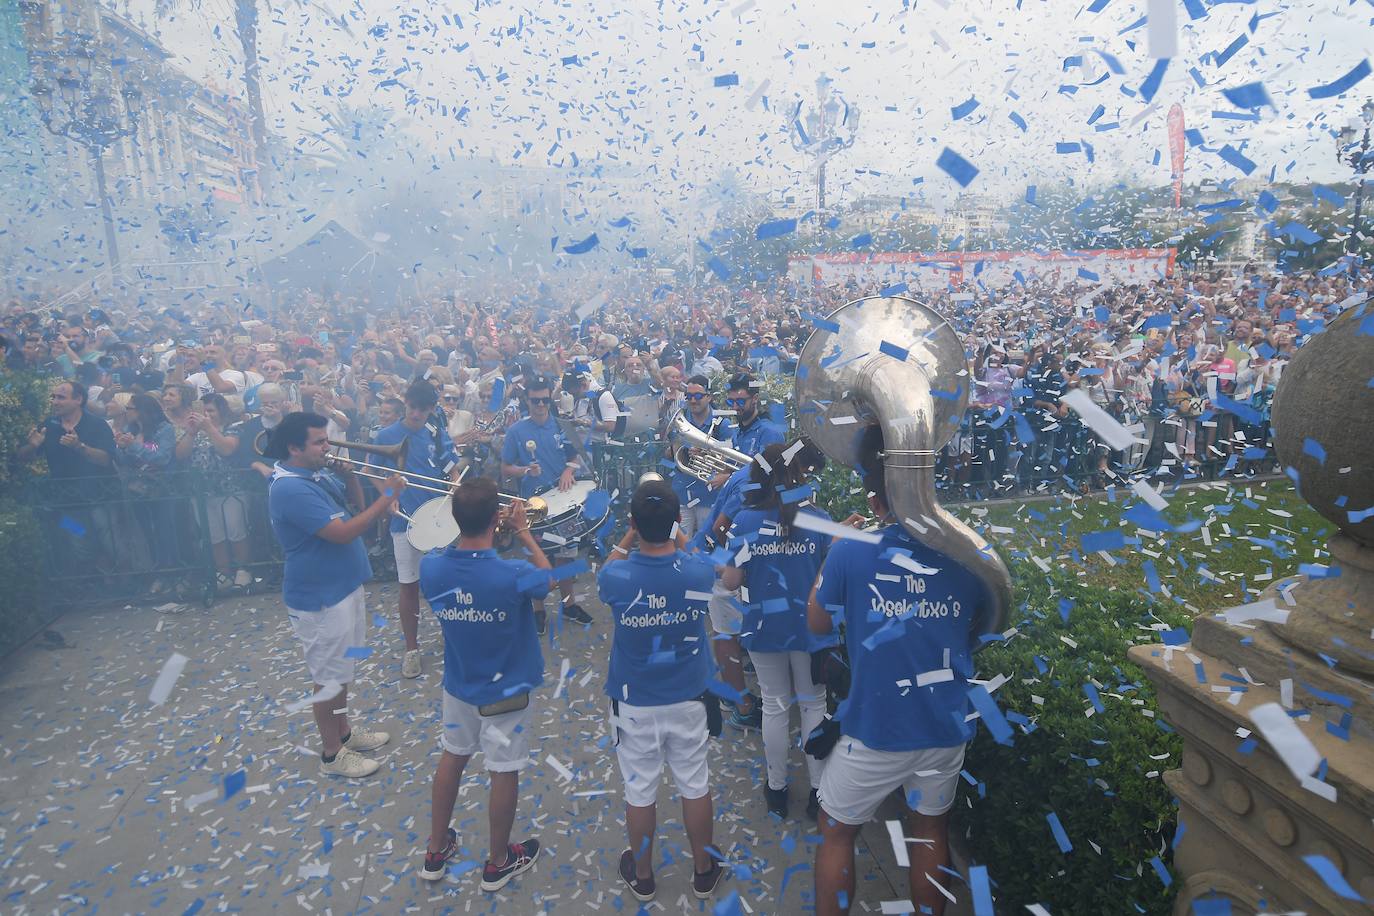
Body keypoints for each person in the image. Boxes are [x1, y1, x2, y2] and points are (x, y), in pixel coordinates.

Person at [808, 426, 989, 916]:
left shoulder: (851, 548)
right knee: (930, 829)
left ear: (874, 493)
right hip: (946, 722)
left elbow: (816, 621)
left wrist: (834, 552)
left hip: (877, 726)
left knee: (835, 829)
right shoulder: (971, 553)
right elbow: (981, 624)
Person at [417, 478, 550, 890]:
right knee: (503, 770)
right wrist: (524, 531)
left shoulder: (431, 567)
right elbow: (550, 578)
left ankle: (436, 851)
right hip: (507, 690)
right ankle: (497, 861)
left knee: (453, 756)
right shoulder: (514, 574)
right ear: (497, 519)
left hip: (459, 682)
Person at [598, 478, 724, 903]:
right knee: (695, 783)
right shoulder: (696, 571)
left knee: (640, 790)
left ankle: (644, 876)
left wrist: (629, 533)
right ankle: (704, 871)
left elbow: (606, 567)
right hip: (688, 696)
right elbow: (702, 559)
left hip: (634, 701)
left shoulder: (616, 575)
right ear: (675, 522)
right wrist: (677, 532)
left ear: (632, 522)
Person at [266, 411, 405, 778]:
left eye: (327, 439)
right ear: (294, 448)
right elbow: (343, 532)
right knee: (328, 676)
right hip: (320, 596)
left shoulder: (312, 473)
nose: (328, 447)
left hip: (343, 585)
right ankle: (331, 754)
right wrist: (387, 495)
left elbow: (354, 511)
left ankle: (343, 732)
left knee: (343, 668)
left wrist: (352, 479)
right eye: (320, 442)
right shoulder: (290, 487)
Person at [720, 442, 835, 821]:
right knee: (813, 704)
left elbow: (732, 580)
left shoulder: (746, 522)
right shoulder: (818, 517)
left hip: (764, 626)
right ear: (797, 472)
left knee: (774, 704)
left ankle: (776, 788)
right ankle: (819, 792)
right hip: (810, 628)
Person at [374, 380, 461, 678]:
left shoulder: (436, 434)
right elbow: (373, 473)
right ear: (405, 402)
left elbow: (452, 470)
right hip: (404, 521)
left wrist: (455, 486)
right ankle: (411, 649)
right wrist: (388, 499)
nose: (416, 414)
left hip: (437, 519)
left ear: (432, 409)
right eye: (412, 407)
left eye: (423, 410)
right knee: (408, 585)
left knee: (445, 584)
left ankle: (454, 639)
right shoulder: (385, 436)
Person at [501, 375, 592, 628]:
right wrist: (524, 471)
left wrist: (567, 471)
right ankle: (538, 608)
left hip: (563, 502)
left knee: (565, 555)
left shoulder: (562, 426)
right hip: (533, 506)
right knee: (534, 556)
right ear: (526, 400)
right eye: (535, 401)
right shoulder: (516, 430)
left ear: (550, 397)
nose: (540, 405)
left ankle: (568, 604)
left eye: (544, 400)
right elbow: (506, 467)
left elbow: (575, 456)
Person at [668, 375, 733, 541]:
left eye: (697, 396)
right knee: (678, 542)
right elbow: (669, 455)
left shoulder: (722, 425)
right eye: (689, 397)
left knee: (707, 543)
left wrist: (707, 454)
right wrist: (680, 451)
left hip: (708, 494)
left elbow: (731, 457)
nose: (693, 401)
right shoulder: (680, 421)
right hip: (682, 492)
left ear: (709, 397)